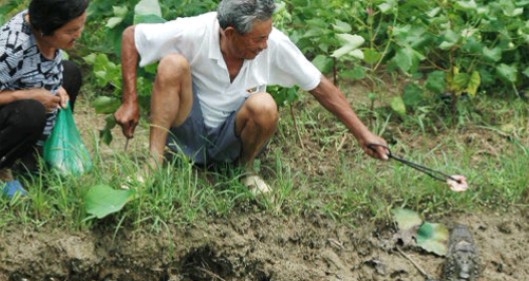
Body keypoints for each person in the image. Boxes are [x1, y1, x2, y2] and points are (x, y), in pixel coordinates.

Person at [115, 0, 388, 195]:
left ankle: (244, 169)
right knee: (172, 64)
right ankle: (153, 164)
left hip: (231, 137)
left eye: (267, 36)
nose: (264, 45)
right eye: (258, 39)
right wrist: (130, 101)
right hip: (188, 125)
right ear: (230, 33)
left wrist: (363, 133)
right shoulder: (194, 31)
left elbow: (319, 86)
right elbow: (131, 36)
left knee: (265, 104)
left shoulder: (273, 43)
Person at [0, 0, 88, 198]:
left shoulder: (44, 22)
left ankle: (32, 155)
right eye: (71, 30)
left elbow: (40, 65)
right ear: (43, 30)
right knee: (32, 111)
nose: (78, 34)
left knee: (70, 73)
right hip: (8, 110)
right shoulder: (11, 49)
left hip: (21, 90)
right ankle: (3, 168)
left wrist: (55, 84)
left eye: (81, 25)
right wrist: (24, 95)